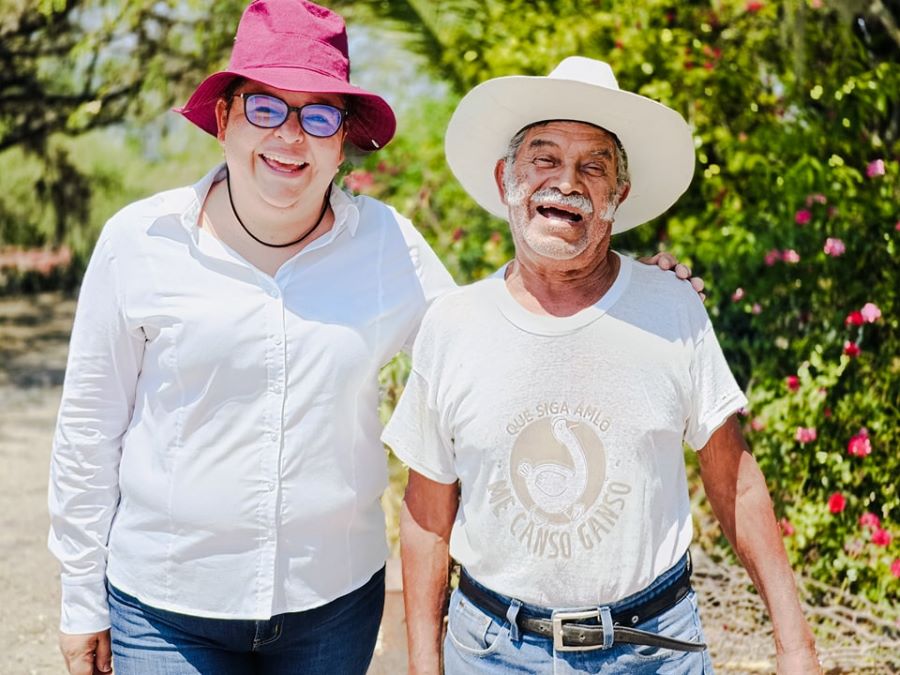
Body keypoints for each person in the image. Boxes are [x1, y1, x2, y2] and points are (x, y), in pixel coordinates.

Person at [47, 3, 703, 673]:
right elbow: (88, 432)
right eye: (266, 108)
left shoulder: (388, 246)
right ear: (224, 117)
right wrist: (80, 600)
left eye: (319, 115)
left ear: (342, 140)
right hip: (164, 606)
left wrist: (620, 287)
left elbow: (502, 339)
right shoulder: (140, 243)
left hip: (330, 608)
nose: (291, 137)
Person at [382, 57, 821, 674]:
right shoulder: (453, 325)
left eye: (594, 166)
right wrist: (424, 666)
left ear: (618, 197)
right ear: (506, 177)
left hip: (654, 650)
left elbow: (736, 481)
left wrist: (794, 646)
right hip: (492, 653)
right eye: (544, 159)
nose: (567, 181)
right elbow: (427, 513)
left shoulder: (671, 307)